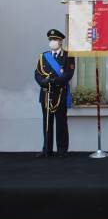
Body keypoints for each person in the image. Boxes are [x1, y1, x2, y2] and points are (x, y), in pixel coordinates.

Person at [34, 29, 75, 158]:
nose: (52, 42)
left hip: (60, 93)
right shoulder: (43, 56)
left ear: (60, 41)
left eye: (55, 40)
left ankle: (62, 150)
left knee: (61, 123)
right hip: (46, 94)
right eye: (51, 40)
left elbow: (68, 74)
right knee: (47, 123)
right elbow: (37, 73)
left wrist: (53, 81)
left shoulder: (68, 56)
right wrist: (43, 82)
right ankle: (47, 149)